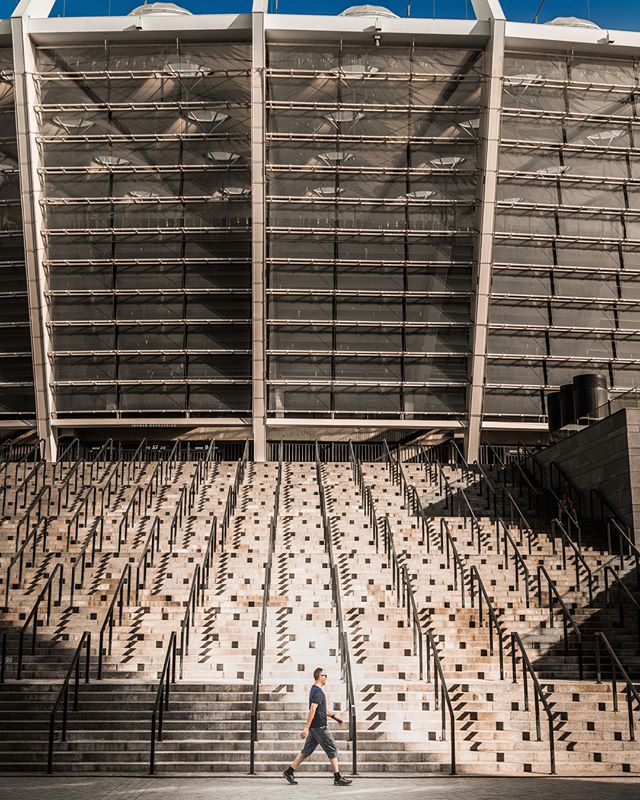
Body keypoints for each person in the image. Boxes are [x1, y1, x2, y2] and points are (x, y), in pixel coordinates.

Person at [282, 667, 353, 786]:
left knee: (306, 751)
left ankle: (289, 772)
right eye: (325, 675)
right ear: (320, 676)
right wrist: (306, 727)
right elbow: (312, 709)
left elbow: (320, 709)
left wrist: (334, 716)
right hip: (320, 727)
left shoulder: (314, 690)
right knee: (333, 750)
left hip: (315, 728)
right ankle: (337, 778)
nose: (326, 678)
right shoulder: (318, 692)